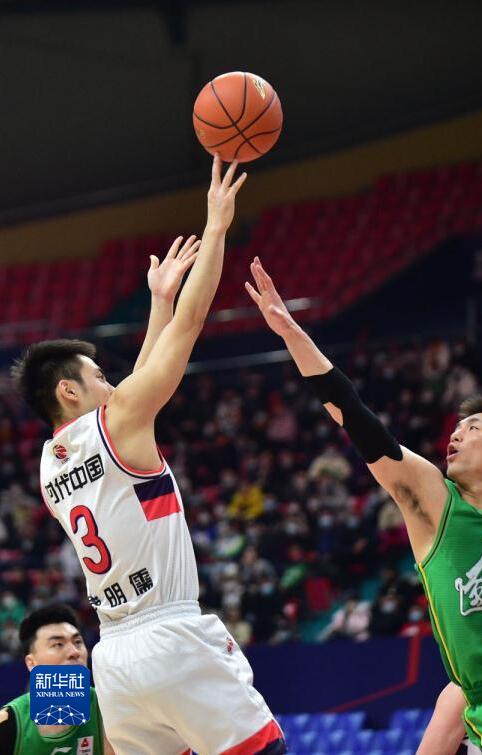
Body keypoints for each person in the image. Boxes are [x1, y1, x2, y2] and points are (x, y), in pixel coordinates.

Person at [245, 256, 482, 754]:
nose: (456, 435)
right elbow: (357, 418)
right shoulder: (434, 503)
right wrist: (292, 334)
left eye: (472, 428)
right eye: (455, 429)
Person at [12, 159, 285, 755]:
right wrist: (216, 227)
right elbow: (191, 325)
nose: (112, 384)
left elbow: (138, 384)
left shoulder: (49, 464)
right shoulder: (118, 423)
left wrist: (158, 302)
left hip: (114, 657)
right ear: (69, 391)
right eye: (99, 376)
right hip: (170, 632)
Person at [0, 603, 114, 755]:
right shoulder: (8, 724)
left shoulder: (107, 707)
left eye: (78, 642)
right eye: (58, 644)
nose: (74, 652)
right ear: (31, 663)